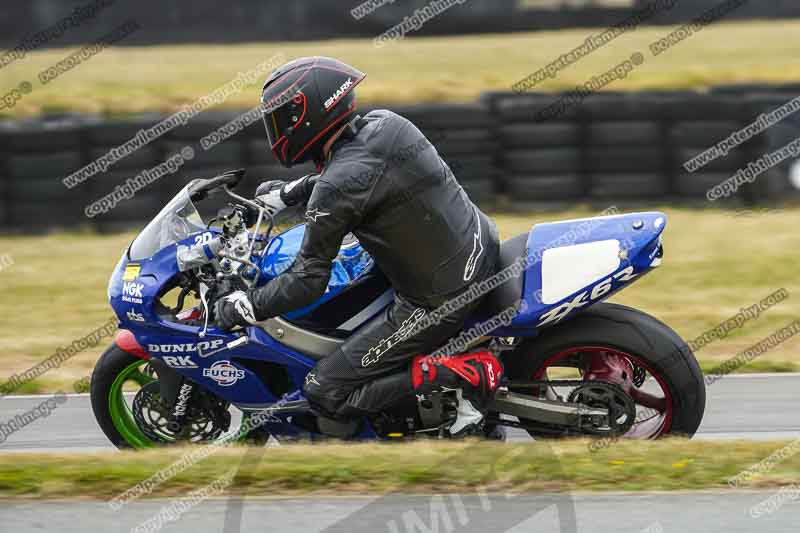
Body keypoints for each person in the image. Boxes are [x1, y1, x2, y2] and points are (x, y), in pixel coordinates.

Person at [215, 56, 502, 437]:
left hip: (439, 297)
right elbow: (354, 175)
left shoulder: (338, 185)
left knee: (325, 389)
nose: (277, 129)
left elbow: (307, 281)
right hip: (474, 244)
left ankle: (465, 372)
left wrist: (247, 305)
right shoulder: (386, 124)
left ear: (308, 114)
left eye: (282, 118)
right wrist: (287, 194)